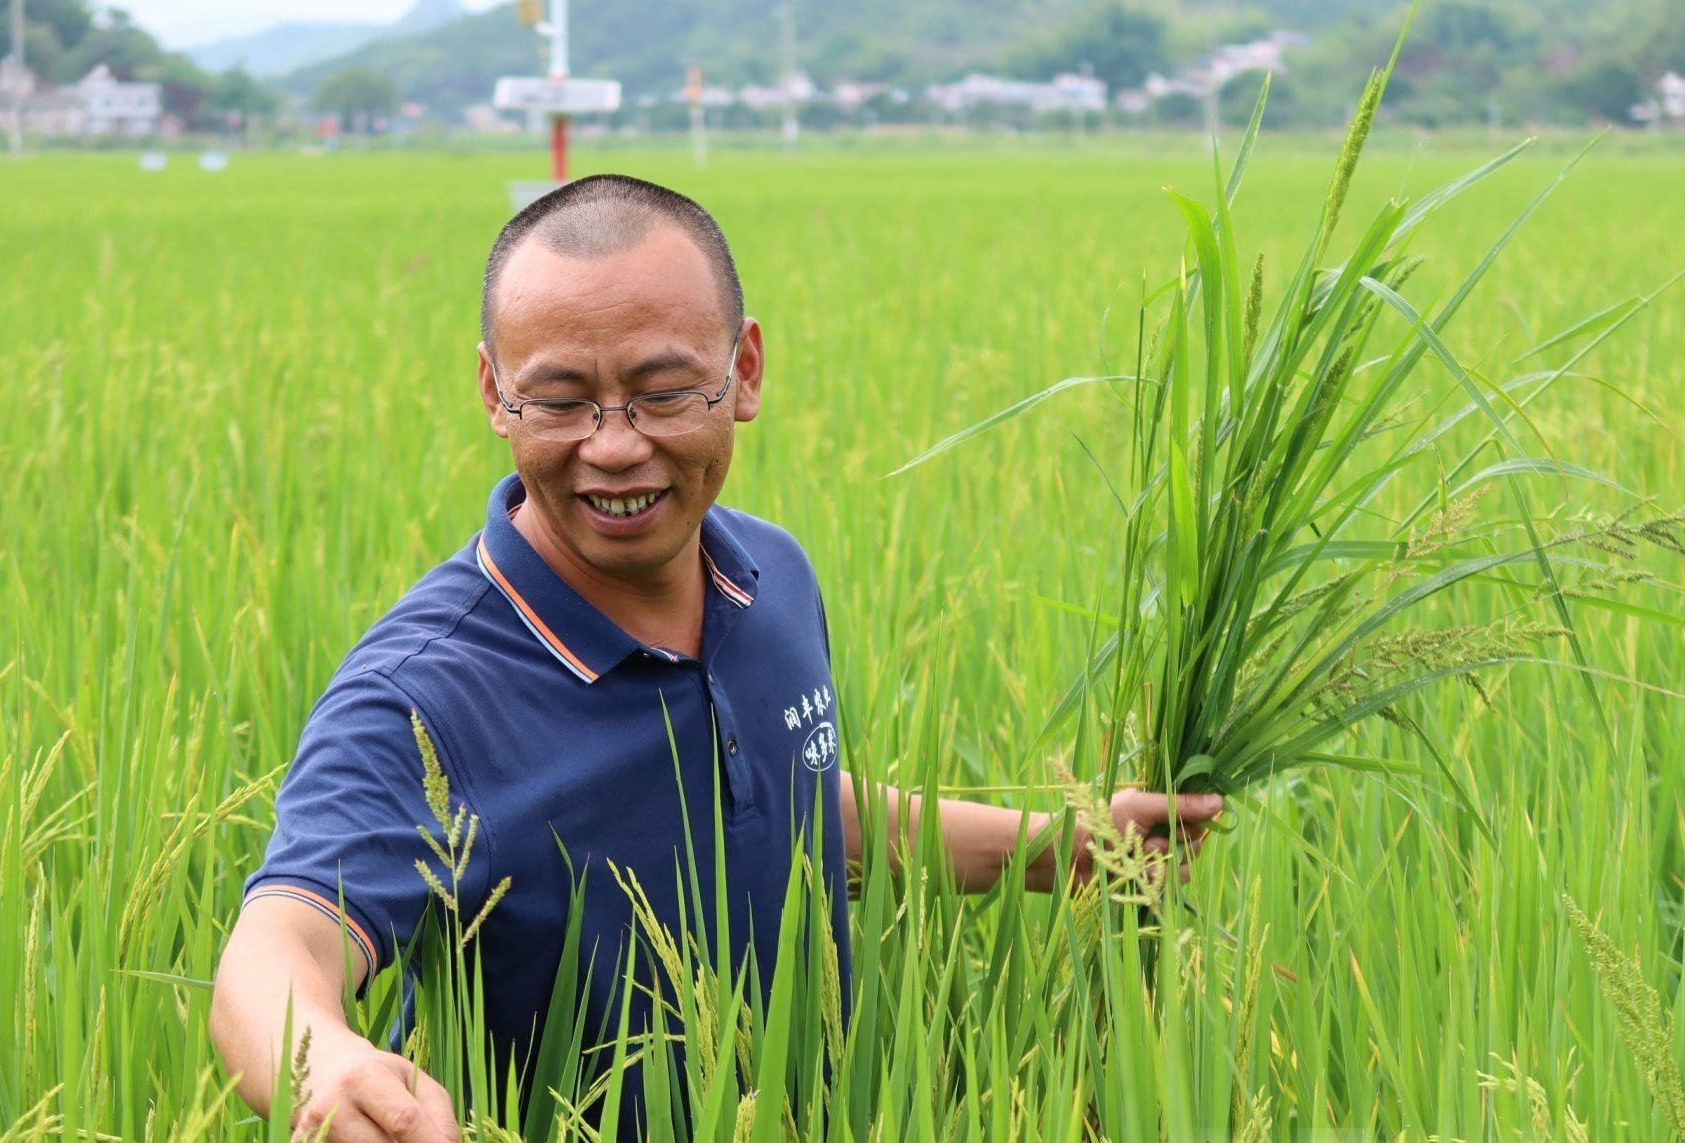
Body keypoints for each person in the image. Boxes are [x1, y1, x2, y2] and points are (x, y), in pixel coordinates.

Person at [209, 174, 1224, 1142]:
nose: (613, 446)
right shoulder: (422, 696)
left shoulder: (771, 576)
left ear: (743, 372)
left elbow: (793, 804)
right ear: (493, 391)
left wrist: (1060, 849)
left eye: (662, 392)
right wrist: (324, 1066)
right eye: (560, 401)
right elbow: (281, 943)